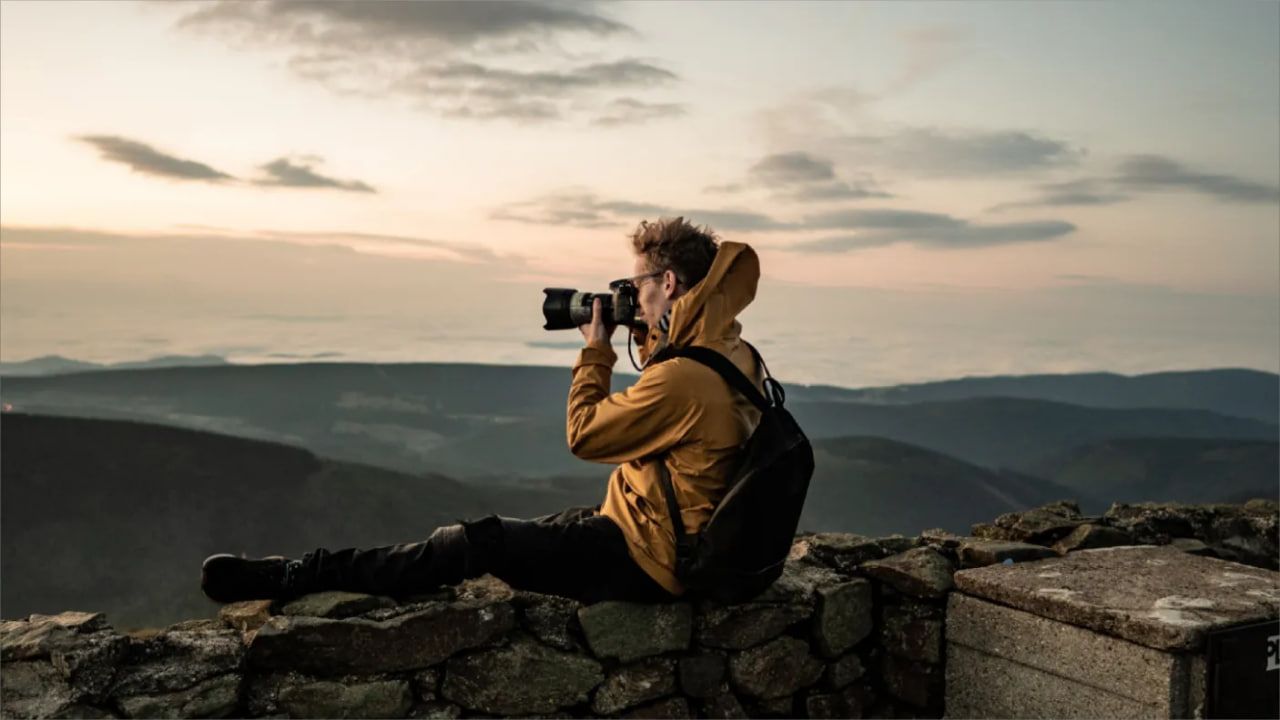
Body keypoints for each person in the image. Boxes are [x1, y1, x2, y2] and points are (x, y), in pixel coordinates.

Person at [200, 216, 764, 605]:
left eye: (634, 284)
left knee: (476, 542)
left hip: (648, 560)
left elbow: (585, 435)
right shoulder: (730, 351)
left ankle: (297, 575)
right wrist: (649, 329)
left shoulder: (685, 379)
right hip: (657, 534)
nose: (627, 294)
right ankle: (311, 569)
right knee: (524, 532)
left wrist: (596, 350)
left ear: (667, 282)